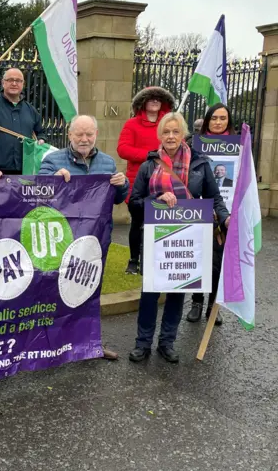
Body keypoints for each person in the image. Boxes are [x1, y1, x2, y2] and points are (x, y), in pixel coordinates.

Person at [128, 112, 229, 364]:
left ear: (183, 134)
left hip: (188, 237)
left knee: (177, 292)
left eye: (175, 131)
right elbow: (134, 203)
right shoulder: (149, 165)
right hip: (155, 237)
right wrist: (156, 199)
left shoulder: (200, 163)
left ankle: (167, 342)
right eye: (166, 132)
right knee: (150, 293)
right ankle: (143, 343)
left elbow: (215, 198)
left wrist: (226, 218)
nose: (171, 136)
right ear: (159, 135)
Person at [39, 114, 129, 361]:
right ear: (69, 135)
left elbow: (119, 198)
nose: (84, 139)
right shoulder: (53, 160)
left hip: (94, 240)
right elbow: (38, 193)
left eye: (89, 134)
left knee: (90, 289)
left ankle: (90, 344)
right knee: (57, 289)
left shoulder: (108, 163)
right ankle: (53, 345)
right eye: (79, 134)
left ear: (96, 135)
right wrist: (53, 179)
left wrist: (122, 184)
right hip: (63, 240)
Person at [186, 103, 236, 326]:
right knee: (199, 259)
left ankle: (213, 306)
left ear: (228, 121)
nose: (218, 122)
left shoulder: (240, 146)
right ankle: (196, 302)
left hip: (226, 212)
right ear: (207, 120)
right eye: (214, 118)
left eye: (222, 118)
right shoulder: (193, 145)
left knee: (218, 263)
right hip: (198, 212)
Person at [117, 87, 175, 275]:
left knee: (159, 222)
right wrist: (146, 155)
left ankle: (154, 259)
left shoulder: (168, 124)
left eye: (159, 98)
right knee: (137, 222)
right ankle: (134, 260)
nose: (155, 101)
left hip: (164, 181)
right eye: (151, 98)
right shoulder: (132, 124)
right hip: (138, 182)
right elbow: (123, 149)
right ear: (143, 102)